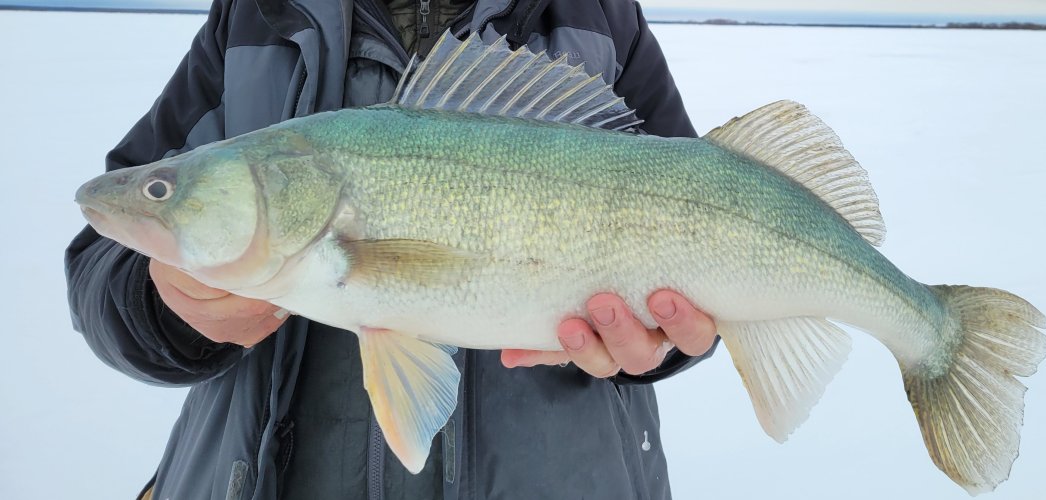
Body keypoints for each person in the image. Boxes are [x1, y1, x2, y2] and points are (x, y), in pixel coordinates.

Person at [65, 1, 718, 498]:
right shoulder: (257, 16)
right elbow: (101, 266)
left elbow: (715, 234)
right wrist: (159, 302)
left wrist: (656, 344)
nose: (156, 195)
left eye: (161, 190)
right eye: (162, 190)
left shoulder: (596, 16)